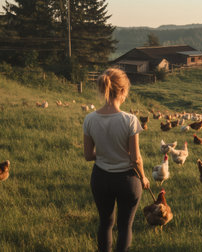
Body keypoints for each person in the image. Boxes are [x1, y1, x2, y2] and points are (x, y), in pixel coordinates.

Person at [83, 68, 150, 252]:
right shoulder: (130, 120)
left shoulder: (89, 119)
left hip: (101, 178)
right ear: (122, 91)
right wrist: (143, 177)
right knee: (125, 226)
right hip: (128, 180)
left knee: (105, 223)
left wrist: (106, 153)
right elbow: (135, 158)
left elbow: (88, 155)